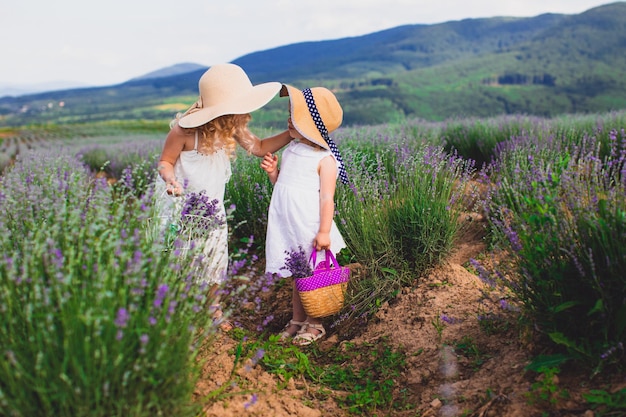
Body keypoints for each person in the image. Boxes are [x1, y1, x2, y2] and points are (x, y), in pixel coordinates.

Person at [155, 63, 293, 329]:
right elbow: (165, 161)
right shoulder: (183, 132)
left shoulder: (233, 128)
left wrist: (292, 134)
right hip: (182, 206)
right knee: (181, 257)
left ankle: (212, 309)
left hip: (213, 208)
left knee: (216, 258)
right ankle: (178, 309)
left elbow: (260, 147)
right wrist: (170, 180)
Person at [261, 84, 348, 346]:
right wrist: (273, 173)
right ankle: (297, 321)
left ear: (311, 123)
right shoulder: (290, 150)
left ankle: (315, 323)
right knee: (298, 275)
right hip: (289, 225)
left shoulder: (325, 160)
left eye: (295, 115)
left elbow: (326, 198)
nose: (289, 119)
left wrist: (323, 231)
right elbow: (285, 187)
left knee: (314, 275)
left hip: (310, 226)